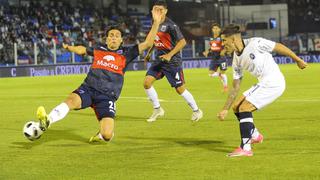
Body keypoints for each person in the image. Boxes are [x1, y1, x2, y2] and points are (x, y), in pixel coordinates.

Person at [34, 9, 163, 143]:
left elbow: (148, 43)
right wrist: (70, 48)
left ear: (121, 40)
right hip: (88, 89)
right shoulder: (98, 49)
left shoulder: (127, 53)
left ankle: (100, 135)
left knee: (107, 135)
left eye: (117, 35)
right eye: (111, 35)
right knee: (71, 100)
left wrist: (156, 22)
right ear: (106, 39)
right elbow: (82, 50)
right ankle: (47, 120)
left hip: (107, 97)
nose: (113, 37)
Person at [217, 24, 307, 157]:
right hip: (264, 82)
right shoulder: (236, 59)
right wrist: (225, 108)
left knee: (244, 108)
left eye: (224, 41)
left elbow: (279, 47)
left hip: (273, 82)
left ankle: (246, 148)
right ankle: (255, 135)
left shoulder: (256, 43)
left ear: (234, 39)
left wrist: (298, 60)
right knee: (236, 107)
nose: (223, 44)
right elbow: (236, 86)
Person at [143, 0, 203, 122]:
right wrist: (149, 53)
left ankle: (197, 111)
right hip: (159, 59)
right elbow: (155, 39)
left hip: (172, 61)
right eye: (155, 9)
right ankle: (157, 109)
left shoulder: (171, 25)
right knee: (147, 83)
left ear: (165, 11)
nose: (157, 12)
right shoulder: (155, 23)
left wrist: (170, 55)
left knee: (179, 89)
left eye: (160, 9)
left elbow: (183, 42)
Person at [203, 23, 228, 93]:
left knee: (223, 73)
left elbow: (227, 46)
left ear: (219, 29)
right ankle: (219, 74)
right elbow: (212, 47)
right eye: (214, 28)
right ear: (212, 30)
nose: (215, 30)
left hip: (221, 58)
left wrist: (224, 51)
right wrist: (207, 51)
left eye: (217, 28)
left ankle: (225, 86)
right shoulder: (211, 38)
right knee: (211, 74)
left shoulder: (222, 37)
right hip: (214, 58)